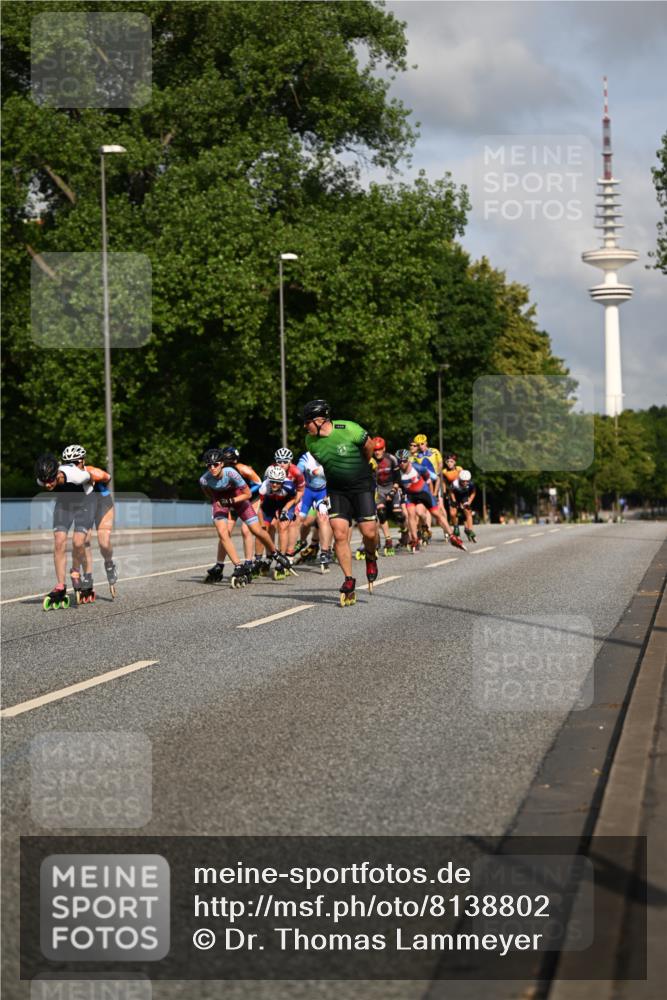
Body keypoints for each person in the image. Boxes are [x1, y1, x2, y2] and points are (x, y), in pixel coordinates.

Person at [302, 399, 378, 606]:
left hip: (361, 485)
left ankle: (371, 556)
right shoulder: (310, 441)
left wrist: (360, 466)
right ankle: (349, 579)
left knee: (369, 532)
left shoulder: (349, 428)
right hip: (337, 490)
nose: (305, 427)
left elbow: (369, 446)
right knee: (339, 533)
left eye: (307, 422)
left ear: (320, 420)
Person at [199, 448, 291, 587]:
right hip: (221, 502)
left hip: (240, 499)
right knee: (223, 533)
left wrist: (231, 501)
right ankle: (238, 566)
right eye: (209, 465)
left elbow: (248, 494)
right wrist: (217, 502)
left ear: (222, 464)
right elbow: (208, 493)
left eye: (216, 464)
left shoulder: (232, 472)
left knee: (256, 530)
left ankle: (275, 553)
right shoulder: (204, 480)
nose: (212, 468)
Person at [35, 453, 95, 609]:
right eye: (44, 482)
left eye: (50, 481)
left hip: (85, 503)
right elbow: (44, 481)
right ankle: (61, 586)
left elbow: (92, 479)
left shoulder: (77, 476)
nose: (47, 485)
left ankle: (79, 572)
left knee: (79, 542)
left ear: (57, 474)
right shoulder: (42, 478)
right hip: (64, 505)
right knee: (59, 542)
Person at [61, 444, 118, 596]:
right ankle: (88, 575)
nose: (72, 466)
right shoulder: (65, 476)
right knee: (84, 540)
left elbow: (107, 477)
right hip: (86, 506)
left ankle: (109, 563)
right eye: (68, 463)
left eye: (75, 462)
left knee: (103, 541)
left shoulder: (90, 470)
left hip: (103, 504)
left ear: (82, 461)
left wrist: (99, 477)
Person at [221, 445, 263, 566]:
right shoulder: (221, 471)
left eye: (228, 462)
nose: (225, 465)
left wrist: (244, 494)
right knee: (225, 533)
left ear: (235, 460)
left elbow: (259, 484)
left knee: (246, 530)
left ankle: (248, 562)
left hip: (251, 499)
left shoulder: (243, 469)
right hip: (235, 501)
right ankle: (220, 564)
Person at [295, 451, 333, 570]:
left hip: (324, 492)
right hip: (309, 491)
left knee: (323, 519)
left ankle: (325, 551)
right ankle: (302, 542)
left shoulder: (330, 454)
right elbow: (296, 473)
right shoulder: (306, 457)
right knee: (305, 521)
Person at [271, 448, 305, 561]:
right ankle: (274, 554)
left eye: (285, 461)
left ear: (290, 461)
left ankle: (289, 553)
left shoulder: (296, 472)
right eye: (279, 461)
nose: (282, 464)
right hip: (277, 497)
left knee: (291, 524)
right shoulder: (271, 469)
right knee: (275, 525)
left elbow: (300, 491)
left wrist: (292, 505)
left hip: (293, 497)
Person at [371, 437, 403, 555]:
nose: (377, 452)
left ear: (384, 448)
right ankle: (388, 540)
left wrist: (393, 491)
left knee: (398, 516)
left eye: (379, 449)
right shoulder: (370, 460)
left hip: (392, 486)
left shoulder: (391, 459)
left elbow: (398, 478)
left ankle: (404, 530)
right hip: (379, 489)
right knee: (381, 513)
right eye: (375, 450)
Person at [448, 470, 477, 543]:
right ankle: (456, 527)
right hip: (455, 496)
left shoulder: (471, 484)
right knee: (453, 513)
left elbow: (473, 493)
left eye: (467, 481)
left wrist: (469, 502)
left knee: (468, 511)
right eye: (463, 481)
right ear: (460, 479)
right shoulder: (455, 483)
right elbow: (451, 492)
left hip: (464, 497)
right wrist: (454, 501)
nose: (465, 483)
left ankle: (470, 530)